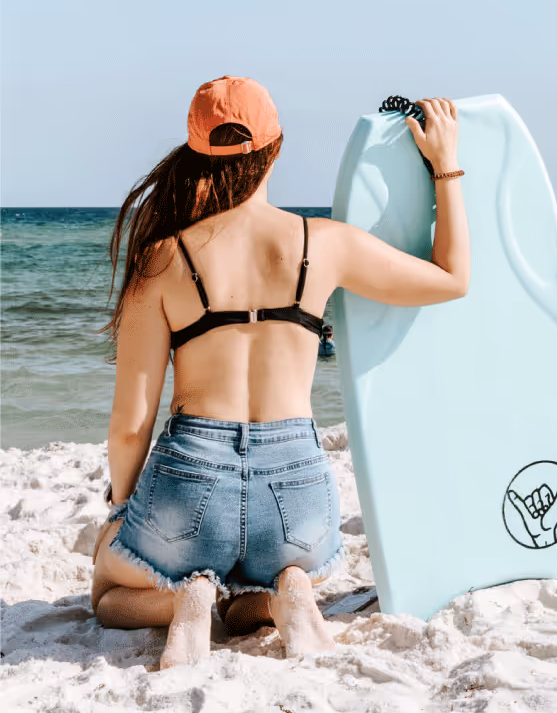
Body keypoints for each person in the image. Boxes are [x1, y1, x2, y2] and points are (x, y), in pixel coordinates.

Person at [90, 78, 469, 668]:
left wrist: (120, 505)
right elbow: (451, 278)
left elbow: (129, 424)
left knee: (107, 591)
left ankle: (184, 598)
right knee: (259, 592)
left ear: (195, 153)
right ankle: (285, 590)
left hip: (191, 486)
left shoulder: (162, 259)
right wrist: (445, 168)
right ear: (278, 146)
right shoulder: (324, 243)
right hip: (295, 497)